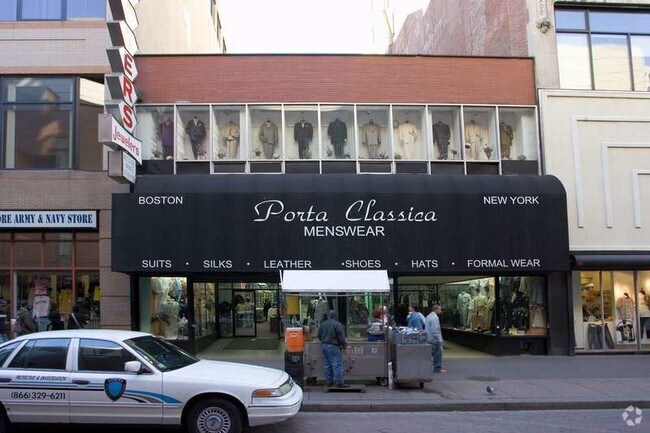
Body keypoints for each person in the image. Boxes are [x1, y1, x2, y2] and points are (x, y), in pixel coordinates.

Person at [317, 310, 349, 388]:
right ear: (335, 316)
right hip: (334, 346)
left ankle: (329, 382)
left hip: (324, 345)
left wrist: (324, 341)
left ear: (328, 316)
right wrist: (344, 346)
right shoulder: (337, 324)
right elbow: (341, 337)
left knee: (327, 365)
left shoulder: (323, 324)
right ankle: (339, 382)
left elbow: (318, 335)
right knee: (337, 364)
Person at [425, 305, 446, 373]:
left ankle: (425, 367)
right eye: (440, 309)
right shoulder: (434, 318)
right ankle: (437, 368)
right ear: (436, 309)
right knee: (438, 353)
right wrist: (439, 340)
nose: (440, 311)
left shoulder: (428, 316)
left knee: (430, 353)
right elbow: (434, 330)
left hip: (428, 337)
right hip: (434, 339)